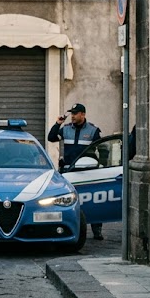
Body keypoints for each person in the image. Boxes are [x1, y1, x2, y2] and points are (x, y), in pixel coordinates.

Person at [48, 102, 104, 240]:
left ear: (83, 114)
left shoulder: (93, 130)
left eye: (75, 113)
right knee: (69, 200)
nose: (72, 116)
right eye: (71, 113)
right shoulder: (65, 129)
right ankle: (70, 228)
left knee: (93, 201)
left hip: (88, 172)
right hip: (69, 171)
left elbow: (102, 149)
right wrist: (57, 123)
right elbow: (51, 137)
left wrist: (101, 166)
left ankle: (97, 230)